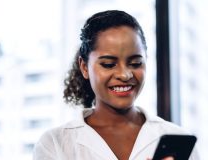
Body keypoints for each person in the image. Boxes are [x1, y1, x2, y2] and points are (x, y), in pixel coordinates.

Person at [33, 10, 198, 160]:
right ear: (84, 67)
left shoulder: (177, 139)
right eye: (108, 64)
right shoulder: (55, 144)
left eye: (135, 63)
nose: (125, 75)